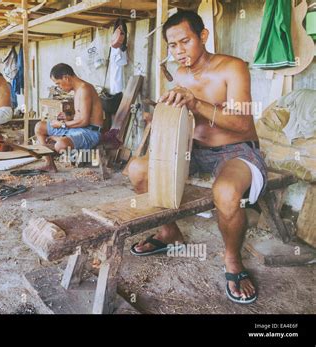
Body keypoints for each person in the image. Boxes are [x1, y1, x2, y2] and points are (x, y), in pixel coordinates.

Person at [127, 10, 266, 304]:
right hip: (195, 151)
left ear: (203, 36)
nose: (179, 51)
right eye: (172, 45)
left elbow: (244, 125)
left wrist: (197, 103)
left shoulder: (232, 68)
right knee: (138, 169)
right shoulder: (179, 74)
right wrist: (164, 116)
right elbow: (185, 119)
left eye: (185, 41)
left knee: (226, 192)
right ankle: (169, 234)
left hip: (236, 151)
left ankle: (232, 260)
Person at [34, 63, 103, 172]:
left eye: (59, 83)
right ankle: (49, 164)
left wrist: (61, 124)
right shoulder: (77, 90)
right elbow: (81, 116)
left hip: (90, 132)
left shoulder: (85, 89)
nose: (59, 87)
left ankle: (57, 141)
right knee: (39, 127)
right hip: (78, 128)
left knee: (60, 145)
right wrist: (69, 117)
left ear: (66, 78)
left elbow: (84, 121)